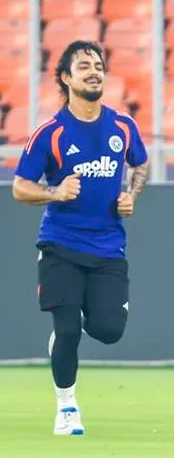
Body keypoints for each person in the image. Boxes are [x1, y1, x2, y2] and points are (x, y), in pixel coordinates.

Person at [12, 40, 149, 435]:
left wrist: (131, 194)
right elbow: (20, 187)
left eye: (98, 66)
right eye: (84, 66)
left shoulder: (122, 126)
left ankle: (68, 331)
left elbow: (140, 165)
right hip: (61, 245)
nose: (94, 72)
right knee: (68, 328)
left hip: (108, 247)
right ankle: (67, 408)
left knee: (109, 331)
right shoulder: (51, 133)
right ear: (66, 78)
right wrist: (55, 192)